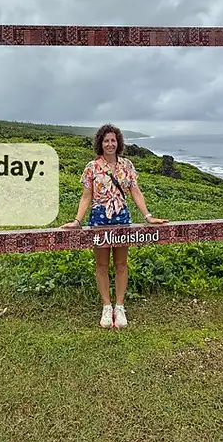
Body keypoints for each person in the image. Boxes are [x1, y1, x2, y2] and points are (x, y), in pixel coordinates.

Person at [61, 124, 167, 329]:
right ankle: (106, 306)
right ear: (100, 143)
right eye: (106, 140)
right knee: (101, 265)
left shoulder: (127, 165)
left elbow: (135, 192)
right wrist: (77, 221)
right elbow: (86, 197)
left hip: (121, 219)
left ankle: (119, 306)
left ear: (118, 143)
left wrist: (148, 216)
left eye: (113, 140)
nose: (110, 144)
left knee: (121, 264)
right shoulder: (91, 167)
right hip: (99, 220)